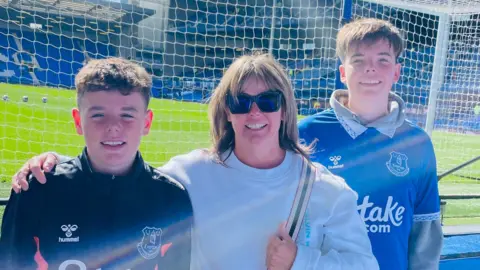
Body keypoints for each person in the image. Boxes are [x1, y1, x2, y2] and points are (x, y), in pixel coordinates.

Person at [10, 53, 378, 269]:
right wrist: (51, 166)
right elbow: (121, 170)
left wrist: (301, 260)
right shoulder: (189, 175)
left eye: (267, 101)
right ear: (226, 113)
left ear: (285, 110)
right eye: (239, 102)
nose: (254, 113)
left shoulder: (326, 190)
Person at [1, 57, 194, 270]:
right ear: (78, 121)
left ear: (146, 122)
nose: (113, 126)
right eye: (98, 115)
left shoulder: (171, 198)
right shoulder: (37, 188)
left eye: (127, 115)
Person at [298, 18, 443, 270]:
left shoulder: (418, 143)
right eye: (358, 60)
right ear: (343, 72)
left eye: (383, 60)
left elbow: (425, 232)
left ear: (396, 72)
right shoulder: (305, 134)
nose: (370, 69)